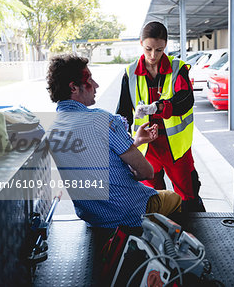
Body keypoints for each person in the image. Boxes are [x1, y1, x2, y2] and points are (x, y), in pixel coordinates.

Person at [45, 54, 181, 228]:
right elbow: (147, 172)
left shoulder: (52, 128)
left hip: (93, 217)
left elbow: (94, 157)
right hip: (130, 211)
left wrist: (135, 142)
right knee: (174, 198)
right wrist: (134, 167)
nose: (96, 85)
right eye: (90, 79)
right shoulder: (102, 120)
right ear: (73, 88)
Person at [116, 21, 205, 212]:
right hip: (148, 148)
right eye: (148, 49)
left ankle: (193, 233)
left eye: (159, 49)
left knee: (188, 195)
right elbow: (123, 112)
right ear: (141, 43)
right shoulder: (130, 73)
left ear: (166, 45)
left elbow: (185, 100)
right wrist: (122, 143)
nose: (153, 55)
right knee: (152, 198)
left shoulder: (178, 68)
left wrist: (158, 107)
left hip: (175, 147)